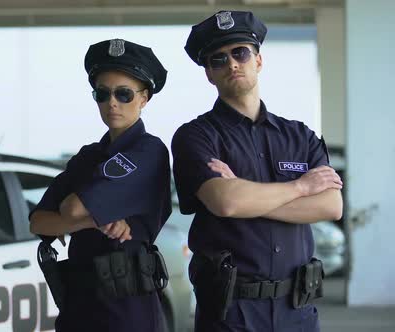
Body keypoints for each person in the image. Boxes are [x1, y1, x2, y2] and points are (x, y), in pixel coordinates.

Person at [172, 10, 344, 332]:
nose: (232, 63)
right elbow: (226, 203)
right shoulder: (196, 136)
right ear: (209, 74)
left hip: (298, 312)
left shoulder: (300, 135)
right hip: (231, 313)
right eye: (218, 59)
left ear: (259, 61)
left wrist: (244, 191)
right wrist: (300, 188)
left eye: (240, 53)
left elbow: (331, 206)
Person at [29, 38, 171, 332]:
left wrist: (72, 218)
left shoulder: (149, 151)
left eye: (124, 94)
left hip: (127, 306)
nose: (112, 103)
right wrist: (91, 224)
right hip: (79, 303)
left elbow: (72, 207)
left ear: (144, 98)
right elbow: (38, 223)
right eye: (102, 94)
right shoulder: (87, 156)